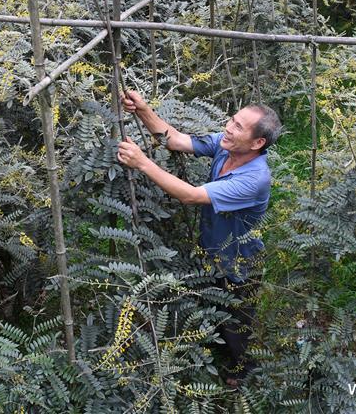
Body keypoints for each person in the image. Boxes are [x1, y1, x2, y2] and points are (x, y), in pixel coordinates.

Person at [116, 90, 281, 387]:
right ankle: (221, 350)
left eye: (238, 127)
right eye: (232, 120)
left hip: (241, 263)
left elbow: (191, 196)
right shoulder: (228, 145)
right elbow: (176, 140)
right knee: (216, 306)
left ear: (258, 143)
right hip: (213, 251)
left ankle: (247, 374)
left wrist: (142, 163)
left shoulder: (254, 179)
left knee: (237, 321)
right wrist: (142, 110)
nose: (229, 128)